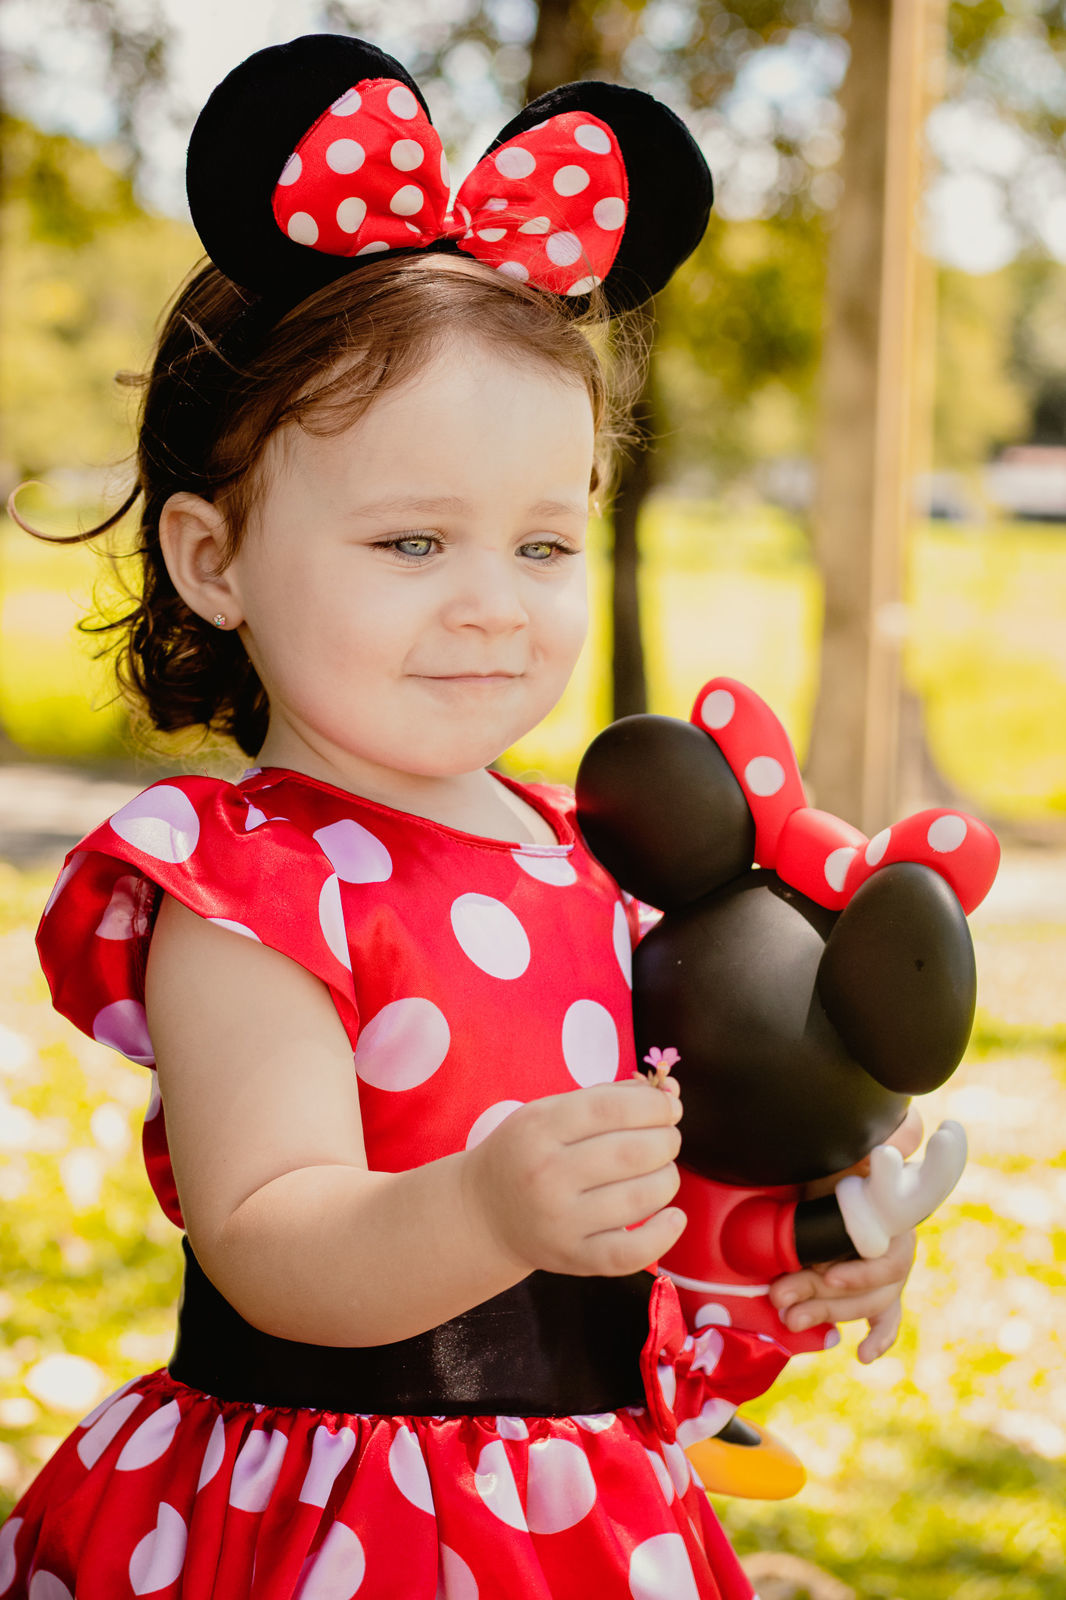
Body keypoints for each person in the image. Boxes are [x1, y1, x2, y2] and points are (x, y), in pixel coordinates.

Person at [1, 35, 915, 1600]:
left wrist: (786, 1256)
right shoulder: (247, 886)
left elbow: (643, 1223)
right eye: (413, 541)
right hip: (336, 1517)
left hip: (579, 1517)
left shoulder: (598, 860)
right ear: (213, 561)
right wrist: (485, 1203)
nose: (492, 605)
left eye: (544, 546)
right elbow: (268, 1237)